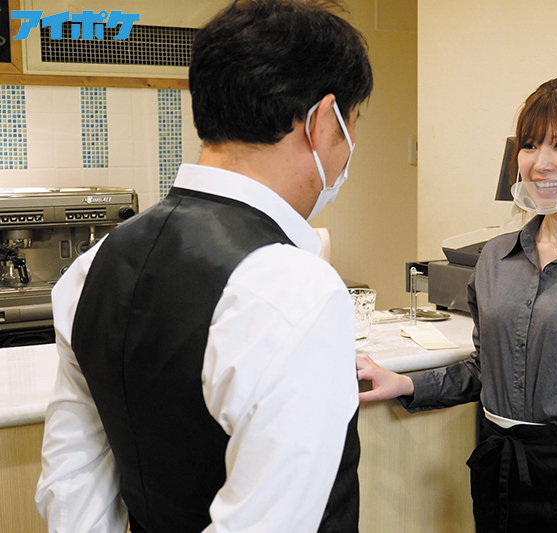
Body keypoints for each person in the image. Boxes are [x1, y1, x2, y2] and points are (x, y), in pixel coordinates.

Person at [34, 1, 372, 532]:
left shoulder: (93, 265)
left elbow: (73, 481)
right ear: (323, 120)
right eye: (352, 125)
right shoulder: (294, 287)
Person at [357, 76, 557, 532]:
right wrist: (405, 383)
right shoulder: (495, 258)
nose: (540, 164)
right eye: (529, 145)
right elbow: (486, 370)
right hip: (498, 471)